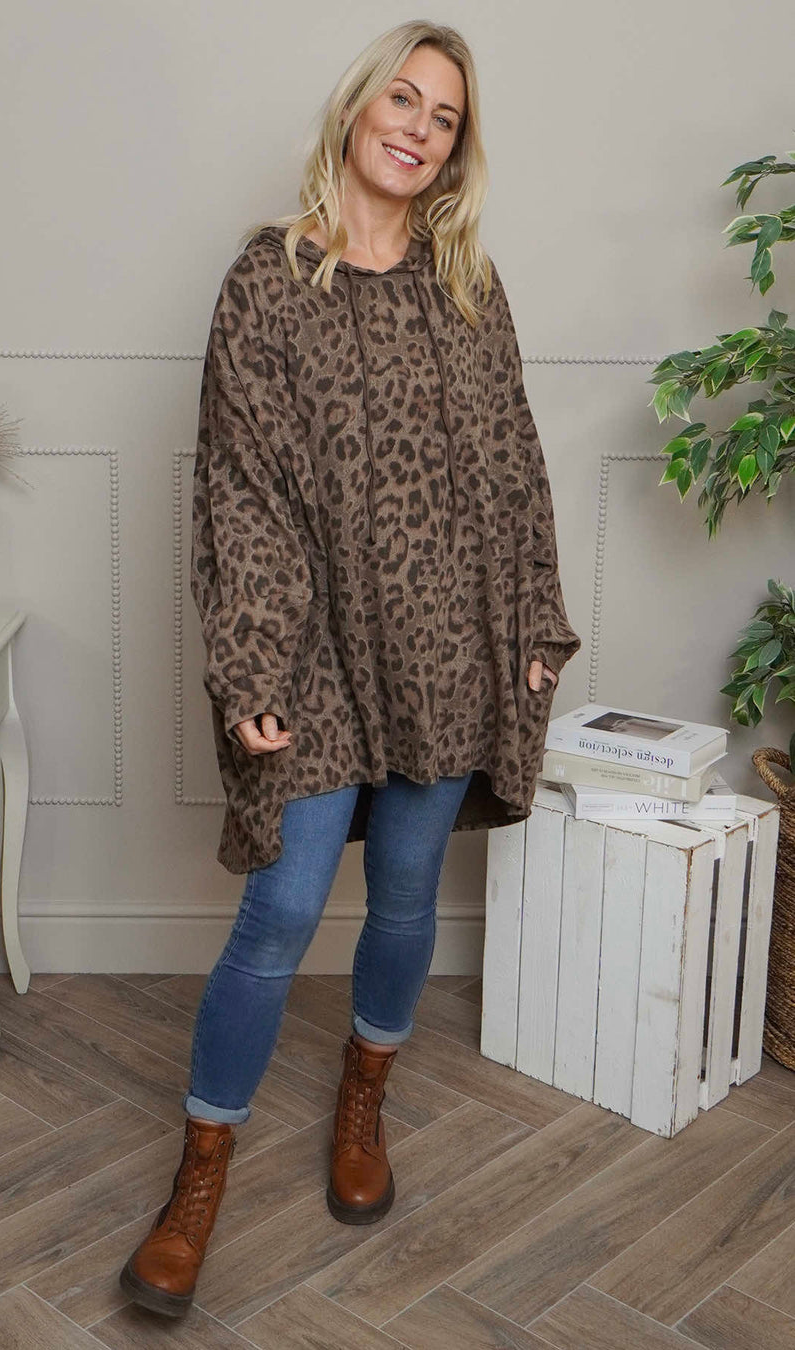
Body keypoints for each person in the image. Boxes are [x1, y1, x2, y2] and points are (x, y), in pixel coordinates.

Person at [120, 19, 581, 1319]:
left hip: (446, 644)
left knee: (408, 897)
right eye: (404, 99)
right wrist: (254, 658)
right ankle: (201, 1169)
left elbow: (516, 468)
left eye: (445, 117)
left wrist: (530, 628)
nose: (419, 128)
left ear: (456, 150)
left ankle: (363, 1095)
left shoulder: (469, 287)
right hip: (316, 648)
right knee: (280, 912)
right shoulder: (268, 281)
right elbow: (245, 490)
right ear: (355, 109)